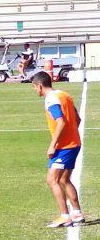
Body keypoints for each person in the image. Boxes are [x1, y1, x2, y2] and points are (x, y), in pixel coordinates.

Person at [33, 72, 86, 228]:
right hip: (74, 144)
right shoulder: (64, 94)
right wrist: (72, 134)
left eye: (34, 87)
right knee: (63, 179)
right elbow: (77, 119)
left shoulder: (51, 100)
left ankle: (65, 217)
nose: (35, 90)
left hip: (64, 147)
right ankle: (77, 213)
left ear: (39, 85)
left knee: (52, 180)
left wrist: (53, 144)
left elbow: (61, 122)